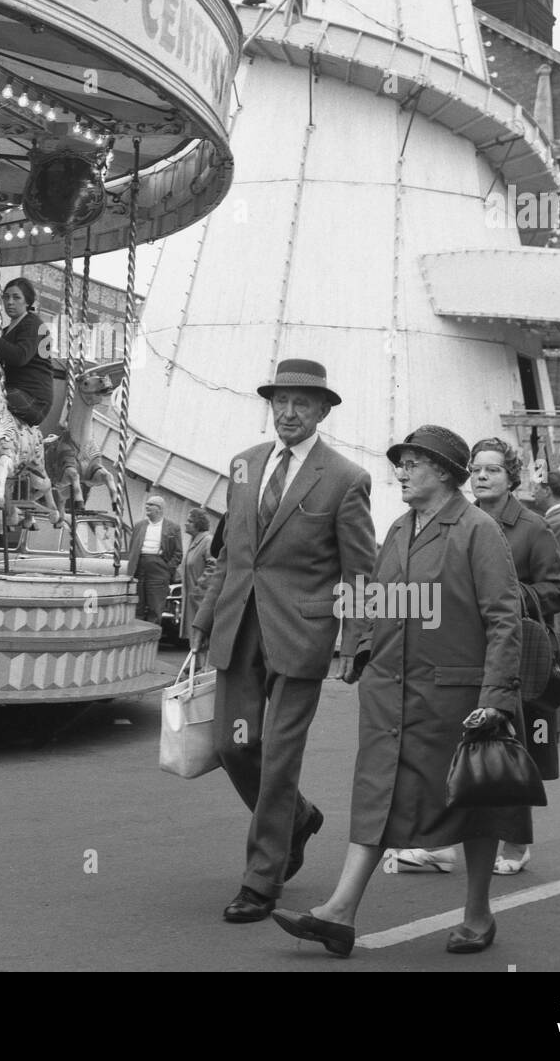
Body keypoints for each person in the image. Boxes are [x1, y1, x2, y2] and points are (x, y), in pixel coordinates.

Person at [272, 427, 528, 959]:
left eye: (413, 463)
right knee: (376, 794)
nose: (402, 472)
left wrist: (495, 698)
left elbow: (505, 619)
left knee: (475, 802)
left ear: (443, 471)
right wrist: (362, 648)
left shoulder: (478, 530)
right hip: (391, 694)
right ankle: (340, 911)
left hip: (456, 701)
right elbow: (380, 599)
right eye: (402, 463)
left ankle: (478, 913)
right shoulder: (398, 528)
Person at [190, 359, 376, 923]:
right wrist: (202, 621)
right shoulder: (244, 466)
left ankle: (261, 877)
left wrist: (356, 640)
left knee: (280, 760)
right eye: (280, 402)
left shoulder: (345, 477)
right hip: (238, 630)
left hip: (301, 638)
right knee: (233, 747)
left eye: (301, 403)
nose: (289, 413)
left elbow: (360, 571)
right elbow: (231, 552)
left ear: (323, 411)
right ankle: (298, 818)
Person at [392, 437, 560, 876]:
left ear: (512, 478)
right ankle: (442, 843)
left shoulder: (532, 527)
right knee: (453, 745)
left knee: (507, 748)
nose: (483, 476)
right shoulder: (451, 520)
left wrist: (507, 593)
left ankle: (515, 843)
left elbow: (559, 589)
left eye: (493, 469)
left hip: (515, 652)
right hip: (456, 650)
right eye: (477, 469)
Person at [0, 277, 53, 427]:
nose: (9, 302)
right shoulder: (6, 331)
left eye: (16, 297)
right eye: (6, 297)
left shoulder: (33, 324)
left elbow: (19, 357)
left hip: (33, 399)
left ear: (27, 301)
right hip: (13, 391)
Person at [125, 495, 182, 624]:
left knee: (155, 608)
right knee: (136, 606)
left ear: (159, 509)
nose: (147, 507)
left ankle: (152, 640)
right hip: (139, 568)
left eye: (151, 505)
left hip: (159, 570)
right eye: (147, 504)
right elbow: (132, 547)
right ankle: (136, 637)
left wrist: (167, 569)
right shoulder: (139, 526)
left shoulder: (173, 527)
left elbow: (178, 553)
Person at [179, 508, 215, 642]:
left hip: (200, 599)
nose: (185, 523)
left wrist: (199, 588)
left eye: (189, 521)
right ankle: (196, 662)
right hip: (193, 598)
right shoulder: (194, 541)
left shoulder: (207, 541)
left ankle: (199, 663)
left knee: (201, 637)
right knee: (194, 637)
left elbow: (214, 566)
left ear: (198, 524)